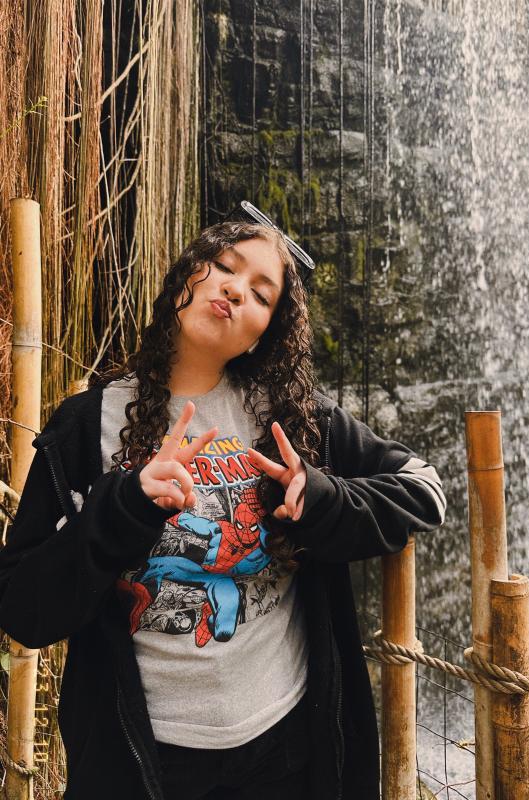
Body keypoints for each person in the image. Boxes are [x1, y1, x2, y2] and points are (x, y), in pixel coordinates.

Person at [0, 220, 446, 800]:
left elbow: (425, 488)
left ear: (263, 334)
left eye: (261, 293)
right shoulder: (86, 427)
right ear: (187, 274)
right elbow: (23, 609)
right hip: (143, 760)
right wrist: (125, 506)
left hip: (286, 744)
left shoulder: (292, 418)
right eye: (226, 266)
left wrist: (321, 497)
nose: (236, 289)